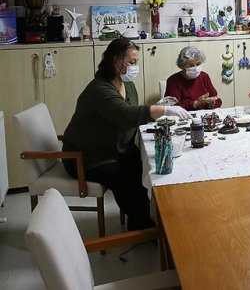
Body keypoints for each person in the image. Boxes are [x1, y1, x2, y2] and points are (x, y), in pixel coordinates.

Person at [61, 37, 191, 231]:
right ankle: (143, 229)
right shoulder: (99, 90)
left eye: (137, 62)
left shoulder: (126, 84)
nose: (135, 66)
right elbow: (125, 115)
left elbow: (133, 113)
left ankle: (152, 217)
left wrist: (156, 113)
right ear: (116, 61)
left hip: (114, 150)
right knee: (127, 180)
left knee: (149, 166)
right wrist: (162, 110)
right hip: (88, 158)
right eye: (131, 62)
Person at [165, 46, 222, 111]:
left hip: (204, 116)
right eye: (191, 65)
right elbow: (171, 108)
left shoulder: (204, 76)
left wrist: (212, 104)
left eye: (198, 64)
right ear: (182, 65)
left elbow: (217, 100)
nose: (195, 68)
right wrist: (195, 104)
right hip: (184, 117)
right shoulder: (173, 81)